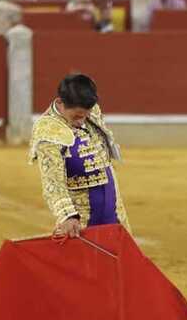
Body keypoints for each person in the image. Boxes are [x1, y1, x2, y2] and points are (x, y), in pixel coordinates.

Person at [30, 73, 130, 238]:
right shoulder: (48, 131)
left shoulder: (89, 110)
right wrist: (68, 216)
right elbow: (53, 182)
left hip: (113, 206)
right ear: (61, 103)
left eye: (85, 115)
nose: (82, 121)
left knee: (120, 259)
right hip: (81, 215)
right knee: (82, 262)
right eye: (76, 116)